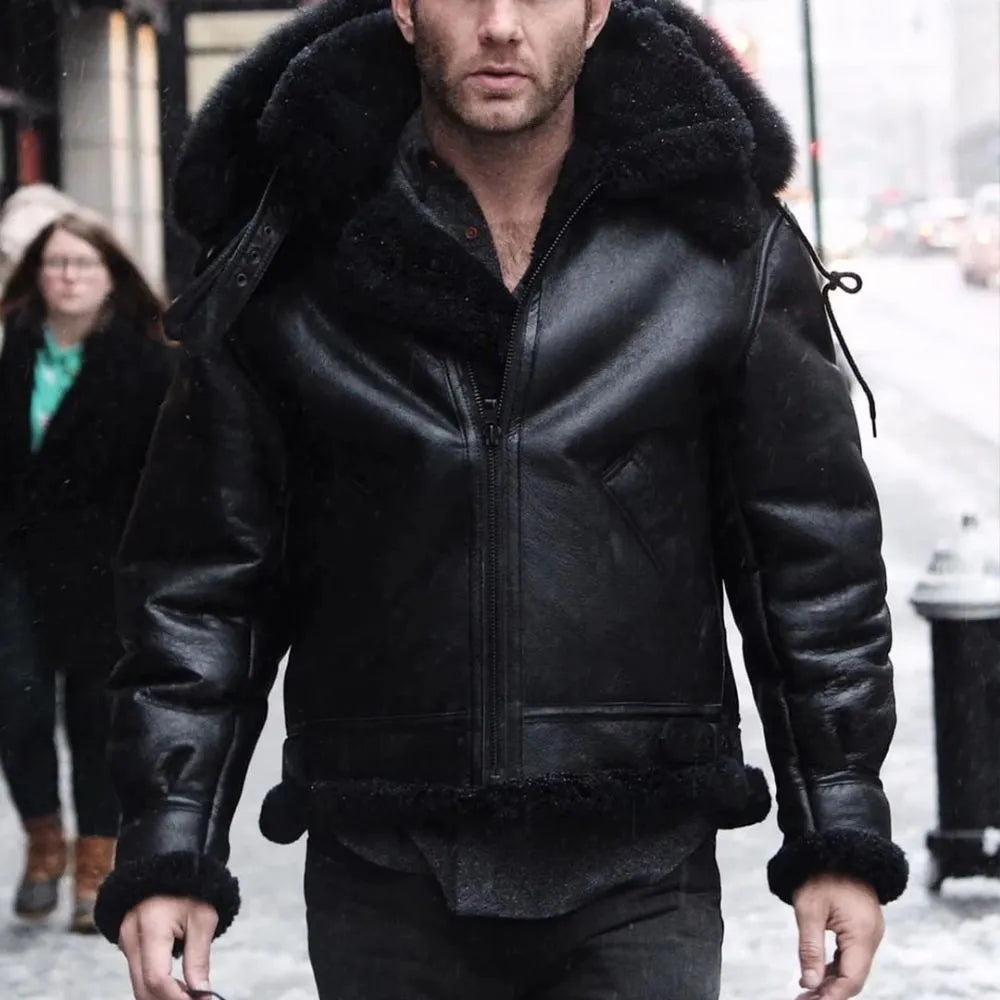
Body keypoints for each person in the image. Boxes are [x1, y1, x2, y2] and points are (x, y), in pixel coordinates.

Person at [94, 0, 908, 997]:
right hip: (383, 863)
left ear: (595, 12)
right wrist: (170, 842)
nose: (499, 24)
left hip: (639, 865)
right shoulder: (290, 246)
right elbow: (201, 579)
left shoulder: (722, 243)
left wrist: (837, 828)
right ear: (404, 10)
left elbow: (810, 565)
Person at [0, 211, 173, 933]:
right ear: (37, 275)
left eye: (82, 263)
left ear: (111, 277)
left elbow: (166, 478)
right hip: (15, 563)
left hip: (107, 567)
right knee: (17, 700)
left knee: (98, 716)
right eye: (55, 263)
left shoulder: (148, 363)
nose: (67, 276)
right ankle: (44, 839)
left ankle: (96, 862)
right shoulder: (10, 350)